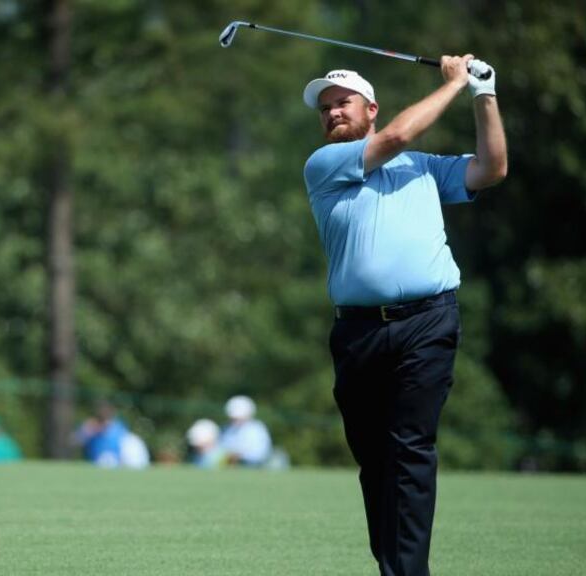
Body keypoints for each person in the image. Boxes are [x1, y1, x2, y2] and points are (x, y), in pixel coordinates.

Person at [301, 56, 506, 576]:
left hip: (428, 322)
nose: (331, 114)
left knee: (410, 450)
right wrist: (456, 84)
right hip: (358, 332)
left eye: (341, 103)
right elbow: (394, 138)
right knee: (374, 461)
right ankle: (396, 565)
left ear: (370, 108)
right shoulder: (324, 166)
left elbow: (493, 167)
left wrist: (484, 94)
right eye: (324, 109)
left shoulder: (427, 167)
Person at [75, 401, 150, 469]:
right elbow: (75, 441)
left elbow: (135, 462)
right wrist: (85, 432)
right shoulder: (91, 429)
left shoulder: (121, 432)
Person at [219, 395, 273, 467]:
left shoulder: (256, 429)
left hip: (254, 466)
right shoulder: (228, 429)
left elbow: (260, 454)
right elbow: (222, 448)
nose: (236, 421)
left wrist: (239, 455)